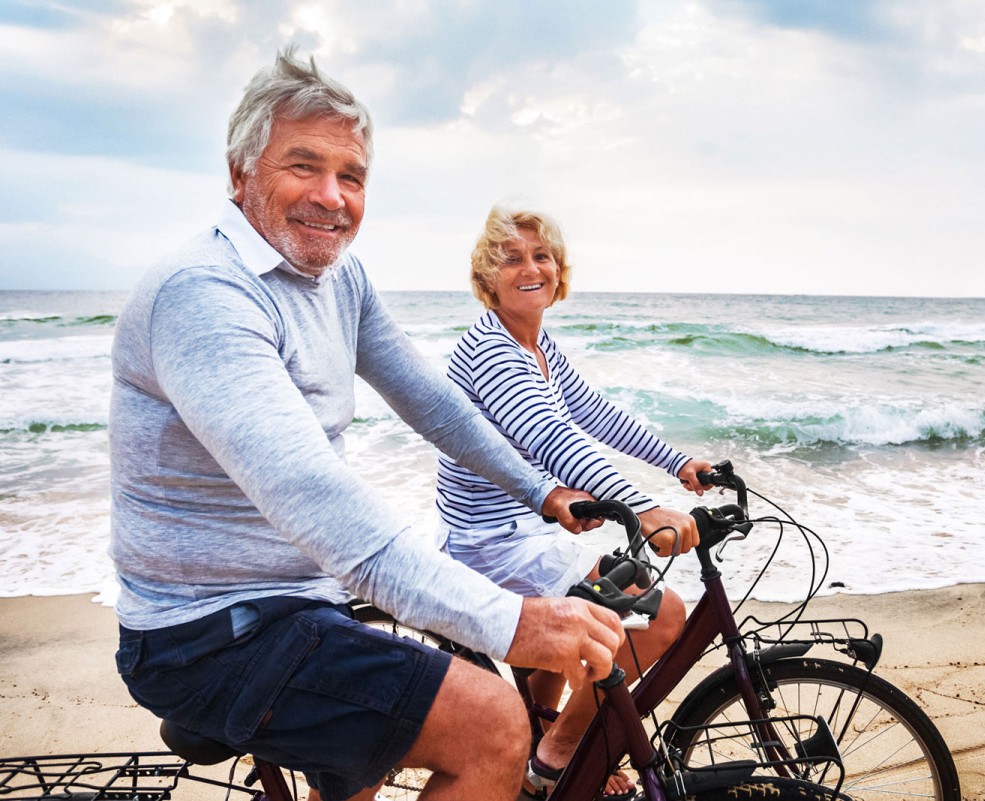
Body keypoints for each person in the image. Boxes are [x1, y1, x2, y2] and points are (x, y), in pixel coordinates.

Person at [108, 48, 624, 801]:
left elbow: (431, 401)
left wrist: (540, 490)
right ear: (239, 172)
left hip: (298, 602)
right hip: (208, 632)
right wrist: (512, 619)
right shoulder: (205, 295)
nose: (332, 196)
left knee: (391, 729)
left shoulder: (336, 276)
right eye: (303, 166)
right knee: (495, 721)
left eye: (351, 176)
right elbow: (313, 494)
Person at [435, 205, 712, 796]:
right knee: (660, 617)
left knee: (592, 623)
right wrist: (642, 508)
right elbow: (548, 435)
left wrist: (678, 463)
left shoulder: (537, 347)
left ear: (560, 271)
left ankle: (541, 743)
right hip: (491, 545)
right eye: (511, 258)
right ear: (487, 278)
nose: (531, 267)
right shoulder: (491, 351)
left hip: (521, 534)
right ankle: (557, 756)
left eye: (542, 255)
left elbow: (595, 417)